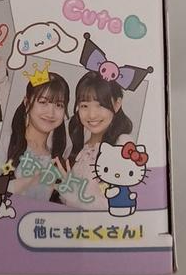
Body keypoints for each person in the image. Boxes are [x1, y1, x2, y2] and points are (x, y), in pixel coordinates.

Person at [53, 71, 132, 208]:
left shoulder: (122, 145)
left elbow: (117, 205)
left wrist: (71, 193)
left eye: (100, 105)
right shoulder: (74, 151)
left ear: (117, 104)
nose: (92, 115)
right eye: (84, 105)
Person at [4, 72, 70, 196]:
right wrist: (30, 180)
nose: (51, 113)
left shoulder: (58, 161)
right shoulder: (5, 143)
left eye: (59, 105)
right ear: (27, 102)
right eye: (43, 102)